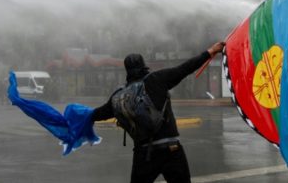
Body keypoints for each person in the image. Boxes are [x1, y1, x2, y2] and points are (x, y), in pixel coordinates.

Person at [92, 41, 225, 183]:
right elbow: (186, 68)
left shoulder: (119, 95)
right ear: (143, 65)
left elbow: (98, 113)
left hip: (143, 154)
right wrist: (211, 51)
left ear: (127, 70)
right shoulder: (157, 79)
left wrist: (76, 117)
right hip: (171, 150)